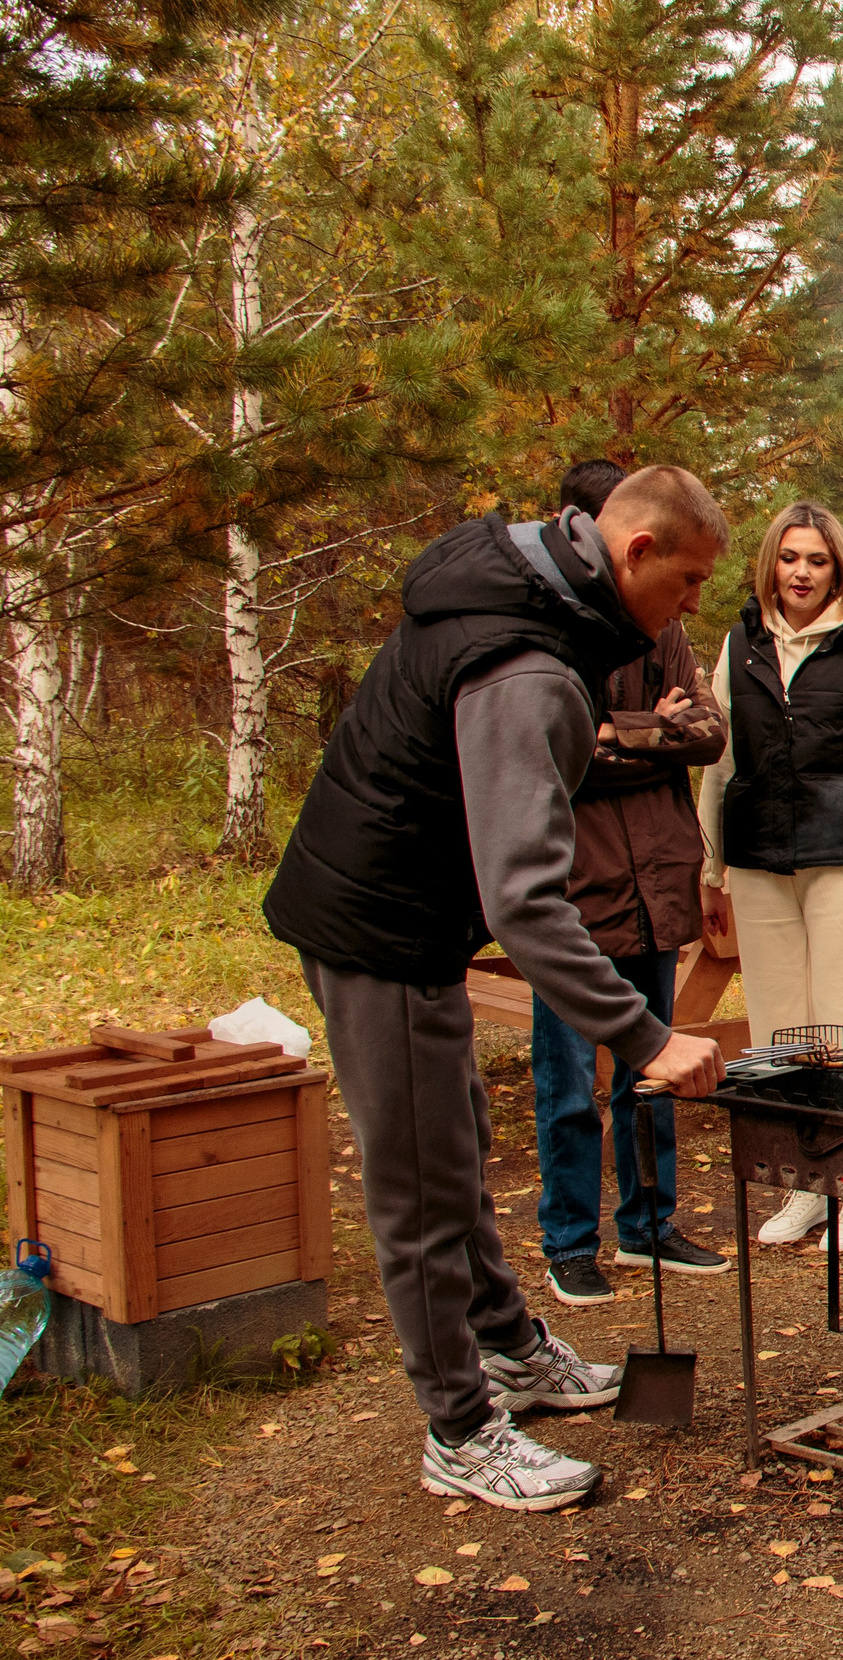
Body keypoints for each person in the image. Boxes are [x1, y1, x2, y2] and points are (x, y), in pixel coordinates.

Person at [265, 467, 729, 1513]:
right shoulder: (524, 662)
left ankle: (510, 1349)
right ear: (634, 555)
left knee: (455, 1148)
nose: (693, 605)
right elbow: (527, 901)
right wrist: (643, 1036)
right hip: (378, 926)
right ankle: (462, 1428)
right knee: (421, 1191)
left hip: (410, 915)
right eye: (689, 580)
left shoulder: (530, 592)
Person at [695, 499, 843, 1248]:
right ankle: (805, 1185)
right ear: (772, 564)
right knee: (778, 1036)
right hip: (761, 863)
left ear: (837, 570)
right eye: (790, 558)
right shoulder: (741, 644)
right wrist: (710, 867)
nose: (801, 572)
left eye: (817, 560)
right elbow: (719, 761)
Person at [530, 459, 732, 1309]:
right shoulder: (546, 632)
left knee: (651, 1070)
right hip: (577, 891)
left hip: (657, 877)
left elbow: (710, 732)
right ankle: (569, 1241)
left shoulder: (664, 630)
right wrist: (653, 729)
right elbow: (556, 754)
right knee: (567, 1082)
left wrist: (620, 734)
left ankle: (648, 1223)